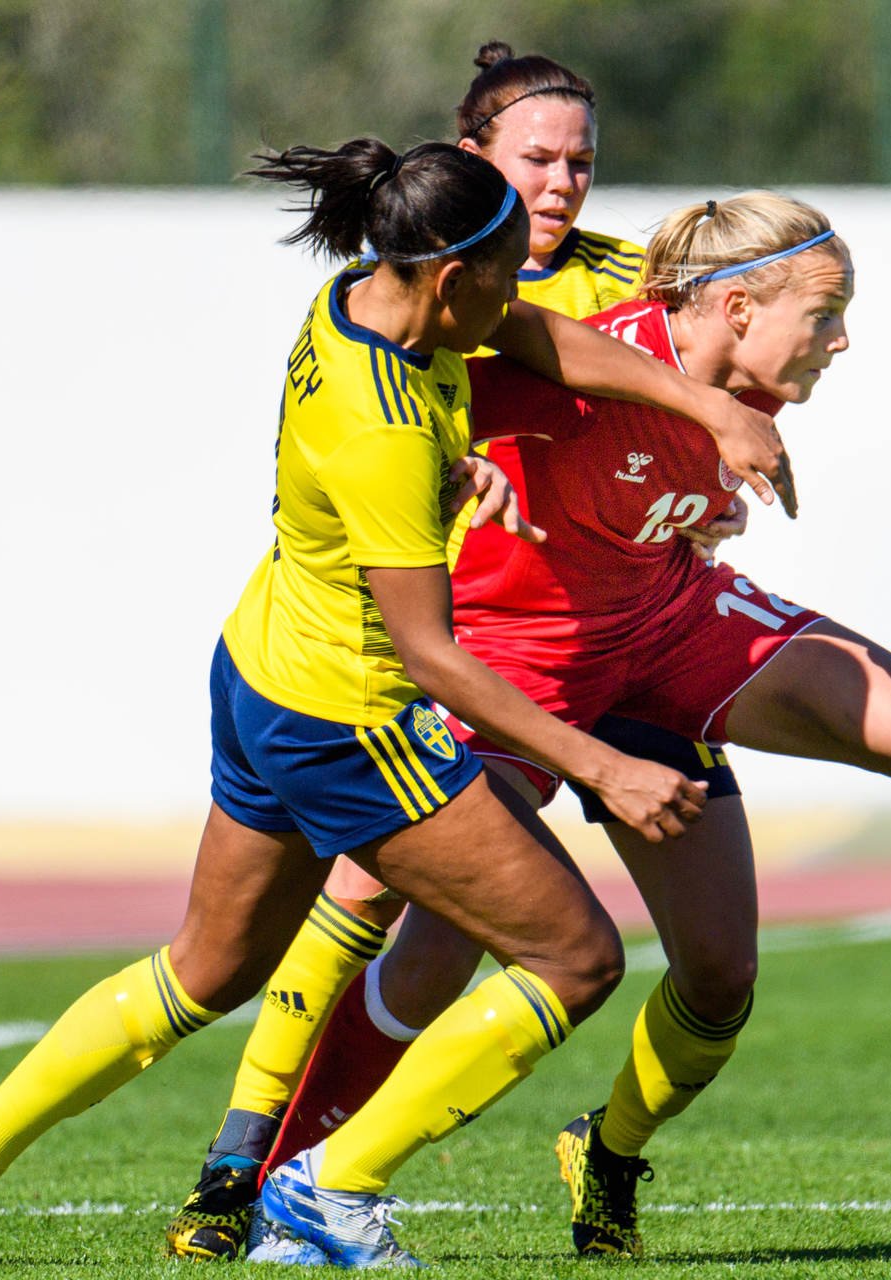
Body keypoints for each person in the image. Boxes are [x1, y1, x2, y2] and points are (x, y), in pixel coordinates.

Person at [0, 136, 798, 1269]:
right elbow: (433, 657)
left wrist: (706, 409)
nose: (520, 298)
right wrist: (604, 766)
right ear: (452, 275)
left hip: (262, 669)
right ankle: (332, 1189)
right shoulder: (389, 425)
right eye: (506, 275)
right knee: (576, 959)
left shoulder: (365, 295)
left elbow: (535, 339)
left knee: (203, 969)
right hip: (351, 719)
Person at [247, 191, 891, 1265]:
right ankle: (294, 1185)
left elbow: (647, 480)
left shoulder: (750, 378)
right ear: (740, 304)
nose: (841, 338)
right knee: (443, 944)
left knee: (836, 847)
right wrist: (452, 477)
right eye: (827, 310)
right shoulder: (593, 364)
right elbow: (406, 408)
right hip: (525, 657)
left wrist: (698, 489)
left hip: (664, 624)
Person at [161, 41, 748, 1263]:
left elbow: (699, 382)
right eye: (538, 157)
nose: (565, 182)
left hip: (630, 635)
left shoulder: (623, 278)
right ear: (469, 159)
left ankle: (327, 1177)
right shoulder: (442, 280)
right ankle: (249, 1161)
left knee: (688, 956)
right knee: (377, 896)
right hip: (474, 645)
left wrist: (708, 462)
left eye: (583, 160)